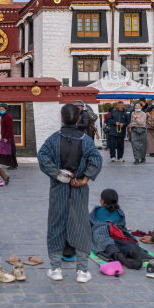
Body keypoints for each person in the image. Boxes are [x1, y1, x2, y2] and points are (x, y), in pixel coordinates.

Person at [38, 103, 103, 283]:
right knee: (81, 225)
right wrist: (84, 179)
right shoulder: (86, 140)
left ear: (61, 118)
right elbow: (96, 160)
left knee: (56, 225)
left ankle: (56, 269)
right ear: (78, 119)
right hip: (79, 189)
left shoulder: (53, 139)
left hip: (58, 189)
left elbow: (42, 157)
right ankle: (82, 271)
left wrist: (57, 173)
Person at [89, 189, 153, 270]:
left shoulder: (96, 211)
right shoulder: (120, 212)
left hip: (101, 233)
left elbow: (90, 224)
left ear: (102, 201)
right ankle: (132, 251)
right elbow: (122, 226)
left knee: (108, 245)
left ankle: (118, 256)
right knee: (124, 243)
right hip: (117, 232)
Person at [0, 103, 18, 170]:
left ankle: (13, 165)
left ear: (6, 109)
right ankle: (12, 164)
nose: (1, 110)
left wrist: (6, 137)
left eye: (2, 109)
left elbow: (9, 128)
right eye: (0, 109)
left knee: (10, 151)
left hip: (8, 137)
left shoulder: (8, 117)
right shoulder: (3, 116)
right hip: (5, 137)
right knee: (5, 151)